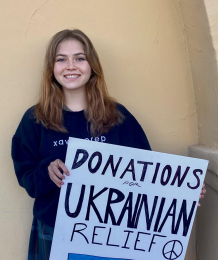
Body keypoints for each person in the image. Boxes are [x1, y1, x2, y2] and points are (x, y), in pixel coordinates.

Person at [11, 29, 206, 260]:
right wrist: (47, 171)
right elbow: (27, 178)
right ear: (51, 69)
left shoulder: (118, 117)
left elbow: (145, 173)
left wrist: (181, 191)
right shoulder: (35, 119)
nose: (71, 66)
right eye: (61, 59)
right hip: (55, 232)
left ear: (92, 66)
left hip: (112, 236)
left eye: (80, 58)